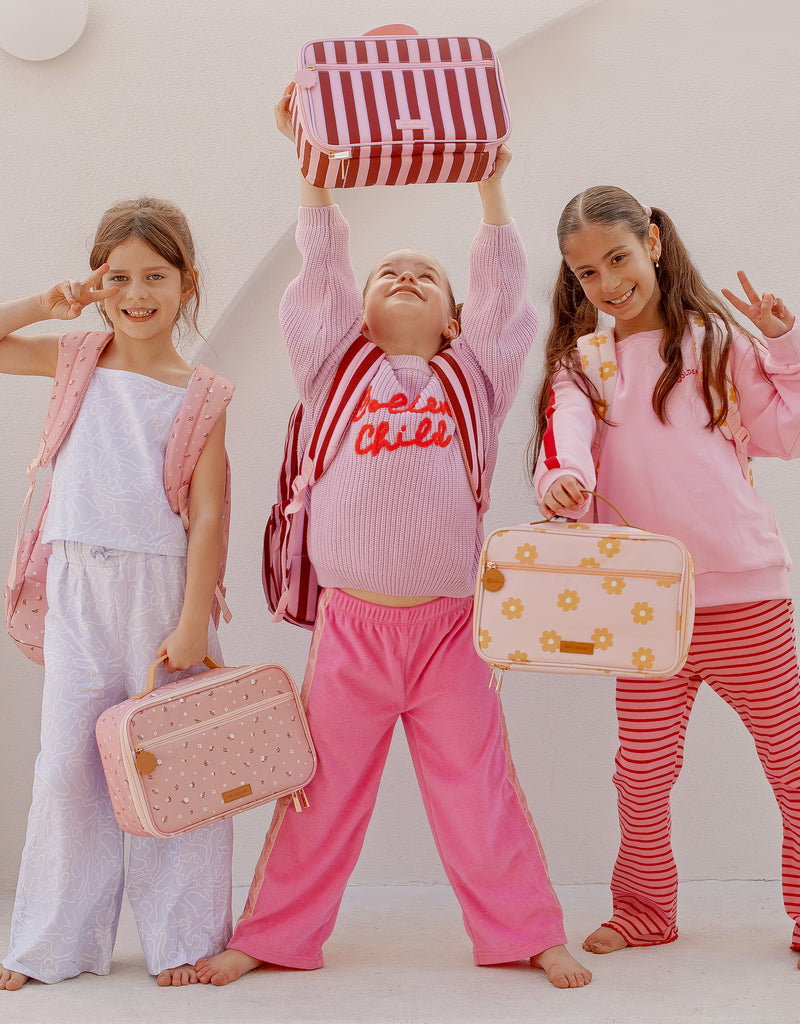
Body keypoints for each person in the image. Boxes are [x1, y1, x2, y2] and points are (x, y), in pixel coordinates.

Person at [194, 86, 592, 990]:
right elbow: (322, 272)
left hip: (451, 631)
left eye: (426, 273)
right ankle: (276, 934)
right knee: (318, 793)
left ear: (453, 320)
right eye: (388, 273)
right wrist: (313, 176)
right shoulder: (337, 368)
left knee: (478, 791)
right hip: (352, 635)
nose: (405, 275)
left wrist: (490, 188)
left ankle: (524, 930)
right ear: (359, 316)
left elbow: (501, 295)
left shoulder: (474, 379)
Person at [532, 184, 800, 972]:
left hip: (744, 590)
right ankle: (644, 912)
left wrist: (787, 345)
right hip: (643, 606)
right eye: (586, 273)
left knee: (789, 754)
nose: (608, 283)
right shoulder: (584, 363)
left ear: (651, 241)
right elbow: (564, 443)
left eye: (617, 257)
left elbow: (792, 432)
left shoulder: (715, 342)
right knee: (640, 772)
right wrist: (561, 486)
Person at [0, 197, 234, 989]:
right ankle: (53, 943)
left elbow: (208, 514)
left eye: (156, 276)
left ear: (187, 282)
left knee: (177, 761)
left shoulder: (200, 390)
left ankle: (186, 939)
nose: (138, 293)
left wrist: (194, 621)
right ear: (99, 283)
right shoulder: (77, 357)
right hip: (77, 587)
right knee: (68, 766)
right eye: (119, 277)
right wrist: (48, 301)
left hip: (162, 593)